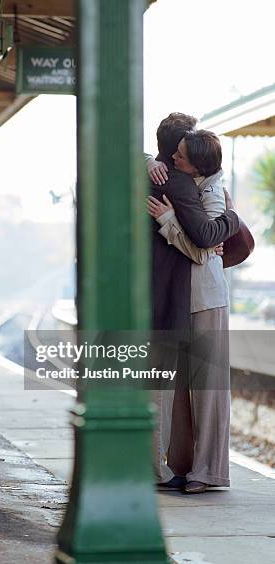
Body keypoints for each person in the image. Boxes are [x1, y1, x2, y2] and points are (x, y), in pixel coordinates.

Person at [145, 113, 239, 490]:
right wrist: (148, 162)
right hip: (180, 294)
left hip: (206, 296)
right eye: (175, 152)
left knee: (209, 388)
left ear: (197, 160)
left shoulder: (213, 190)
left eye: (181, 154)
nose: (174, 159)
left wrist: (170, 222)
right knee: (179, 389)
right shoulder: (171, 177)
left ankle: (209, 472)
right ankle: (182, 466)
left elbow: (203, 252)